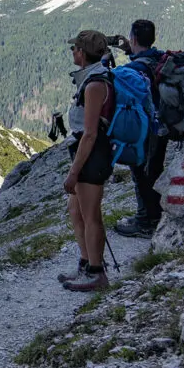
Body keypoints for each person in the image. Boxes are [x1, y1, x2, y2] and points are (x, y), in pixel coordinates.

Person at [60, 31, 113, 292]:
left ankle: (97, 273)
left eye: (74, 49)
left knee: (91, 216)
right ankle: (86, 263)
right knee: (76, 211)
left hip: (93, 154)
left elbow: (90, 133)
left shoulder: (94, 84)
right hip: (86, 151)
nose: (72, 53)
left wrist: (74, 172)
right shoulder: (89, 79)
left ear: (82, 52)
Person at [111, 20, 166, 238]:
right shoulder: (160, 58)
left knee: (140, 173)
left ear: (133, 38)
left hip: (145, 128)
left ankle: (145, 222)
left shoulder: (134, 69)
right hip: (163, 125)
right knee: (154, 169)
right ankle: (155, 213)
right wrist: (128, 49)